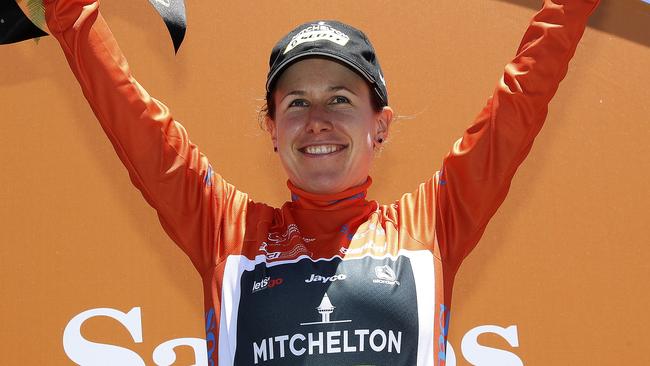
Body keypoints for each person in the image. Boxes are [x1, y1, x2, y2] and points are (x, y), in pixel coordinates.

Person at [43, 0, 600, 364]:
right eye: (296, 103)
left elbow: (521, 99)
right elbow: (134, 121)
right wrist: (69, 14)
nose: (318, 121)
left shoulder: (432, 226)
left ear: (379, 124)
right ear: (272, 129)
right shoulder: (226, 232)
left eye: (340, 98)